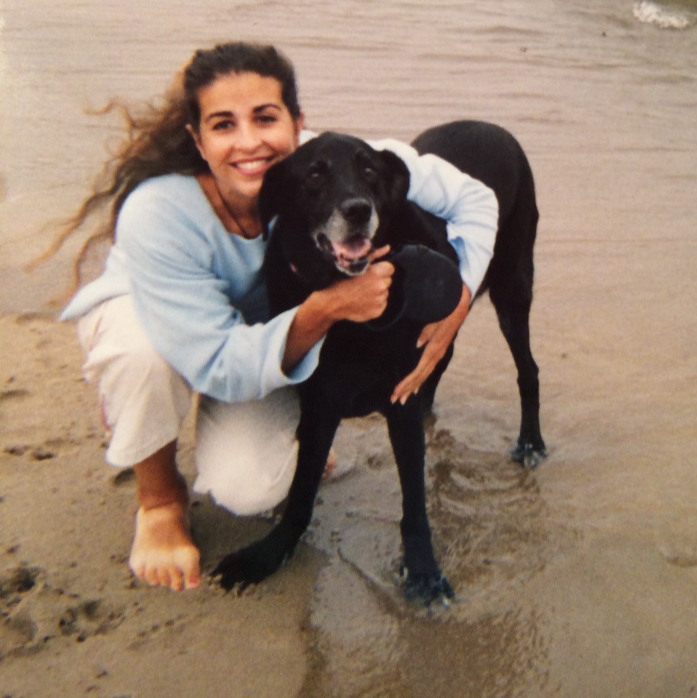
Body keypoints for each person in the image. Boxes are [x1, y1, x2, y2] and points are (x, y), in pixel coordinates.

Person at [59, 42, 499, 592]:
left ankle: (245, 425)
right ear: (198, 139)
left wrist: (458, 300)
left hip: (258, 337)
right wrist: (329, 307)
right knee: (143, 357)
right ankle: (160, 498)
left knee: (249, 488)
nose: (249, 141)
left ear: (297, 122)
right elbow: (217, 362)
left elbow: (476, 200)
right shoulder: (159, 212)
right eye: (224, 125)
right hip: (161, 321)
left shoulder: (331, 163)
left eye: (266, 118)